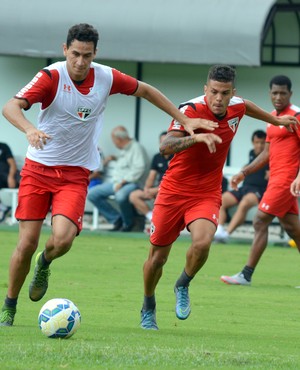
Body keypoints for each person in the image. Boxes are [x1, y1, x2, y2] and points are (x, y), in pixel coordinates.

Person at [0, 23, 220, 327]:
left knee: (62, 240)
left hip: (76, 173)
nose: (80, 62)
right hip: (38, 171)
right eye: (75, 54)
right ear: (64, 50)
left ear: (95, 54)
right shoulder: (51, 76)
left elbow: (146, 90)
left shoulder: (106, 77)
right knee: (26, 243)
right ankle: (9, 307)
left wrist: (184, 119)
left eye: (87, 56)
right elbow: (10, 106)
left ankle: (45, 261)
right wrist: (29, 129)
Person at [139, 66, 297, 330]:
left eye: (224, 93)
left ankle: (183, 283)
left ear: (232, 92)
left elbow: (247, 106)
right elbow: (165, 147)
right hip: (173, 192)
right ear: (205, 89)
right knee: (157, 259)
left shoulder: (237, 106)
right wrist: (197, 138)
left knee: (202, 243)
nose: (218, 98)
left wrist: (277, 121)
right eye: (213, 92)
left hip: (206, 192)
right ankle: (148, 305)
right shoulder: (189, 110)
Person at [221, 75, 300, 286]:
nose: (278, 96)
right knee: (294, 230)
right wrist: (244, 172)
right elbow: (266, 153)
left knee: (259, 220)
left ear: (290, 94)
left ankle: (246, 275)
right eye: (274, 93)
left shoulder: (296, 115)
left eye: (283, 93)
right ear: (269, 94)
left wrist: (299, 177)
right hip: (276, 179)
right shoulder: (272, 118)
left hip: (286, 181)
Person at [87, 125, 149, 232]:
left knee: (121, 196)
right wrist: (114, 159)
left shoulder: (136, 148)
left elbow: (139, 169)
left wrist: (123, 182)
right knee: (92, 194)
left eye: (114, 141)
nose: (114, 144)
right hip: (116, 183)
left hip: (132, 184)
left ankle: (128, 223)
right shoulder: (124, 149)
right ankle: (117, 219)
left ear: (119, 139)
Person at [214, 130, 269, 242]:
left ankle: (226, 234)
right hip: (244, 188)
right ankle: (219, 231)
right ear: (253, 143)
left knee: (244, 203)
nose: (259, 145)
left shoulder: (270, 156)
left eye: (262, 143)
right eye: (257, 142)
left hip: (259, 191)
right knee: (221, 200)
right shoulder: (251, 153)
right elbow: (247, 167)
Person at [129, 131, 172, 228]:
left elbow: (175, 182)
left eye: (167, 142)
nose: (164, 144)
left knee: (162, 198)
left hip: (171, 190)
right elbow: (151, 175)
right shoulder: (157, 157)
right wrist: (147, 189)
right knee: (134, 196)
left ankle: (163, 224)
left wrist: (156, 190)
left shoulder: (177, 156)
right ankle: (152, 218)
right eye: (162, 142)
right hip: (158, 189)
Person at [0, 142, 18, 222]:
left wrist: (10, 177)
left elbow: (12, 164)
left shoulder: (3, 146)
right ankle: (3, 208)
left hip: (7, 175)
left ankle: (3, 208)